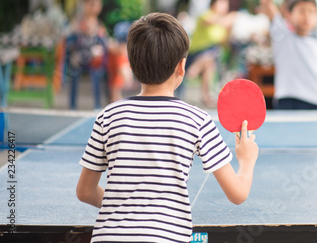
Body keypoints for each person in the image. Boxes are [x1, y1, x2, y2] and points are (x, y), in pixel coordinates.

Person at [76, 13, 259, 243]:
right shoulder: (198, 120)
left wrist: (127, 206)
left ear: (131, 65)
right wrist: (247, 160)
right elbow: (238, 194)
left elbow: (85, 192)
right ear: (182, 67)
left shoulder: (108, 116)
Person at [184, 0, 236, 106]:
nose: (225, 7)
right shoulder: (205, 15)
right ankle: (195, 69)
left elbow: (225, 43)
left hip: (211, 56)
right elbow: (211, 21)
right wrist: (230, 18)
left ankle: (205, 95)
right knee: (209, 58)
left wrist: (229, 30)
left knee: (210, 62)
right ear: (213, 4)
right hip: (195, 53)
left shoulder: (222, 26)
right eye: (222, 3)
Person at [66, 0, 107, 110]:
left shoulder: (99, 23)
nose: (95, 7)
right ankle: (72, 104)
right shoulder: (78, 21)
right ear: (85, 5)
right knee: (74, 68)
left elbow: (103, 40)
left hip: (94, 59)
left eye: (97, 4)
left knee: (98, 70)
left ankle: (98, 104)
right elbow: (70, 37)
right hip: (79, 57)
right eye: (91, 4)